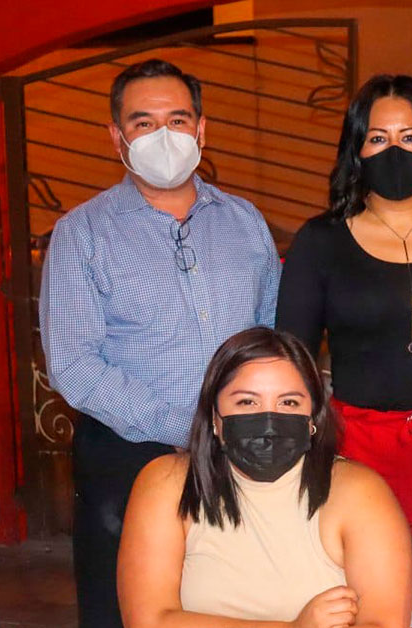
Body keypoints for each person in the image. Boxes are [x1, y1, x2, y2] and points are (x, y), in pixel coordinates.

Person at [39, 59, 281, 628]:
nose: (163, 136)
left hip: (241, 452)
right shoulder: (83, 232)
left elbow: (271, 335)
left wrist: (249, 421)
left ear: (201, 129)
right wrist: (186, 427)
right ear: (117, 137)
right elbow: (74, 364)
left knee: (234, 605)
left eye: (177, 120)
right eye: (143, 123)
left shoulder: (245, 222)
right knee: (128, 609)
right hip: (128, 455)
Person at [276, 74, 412, 544]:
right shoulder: (320, 242)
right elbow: (293, 357)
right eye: (378, 138)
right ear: (356, 153)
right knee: (373, 582)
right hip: (359, 449)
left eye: (409, 137)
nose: (394, 150)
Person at [118, 327, 412, 627]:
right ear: (214, 418)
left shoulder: (359, 492)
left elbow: (384, 621)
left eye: (289, 403)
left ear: (312, 417)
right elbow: (148, 621)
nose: (269, 420)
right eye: (247, 402)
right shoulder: (167, 482)